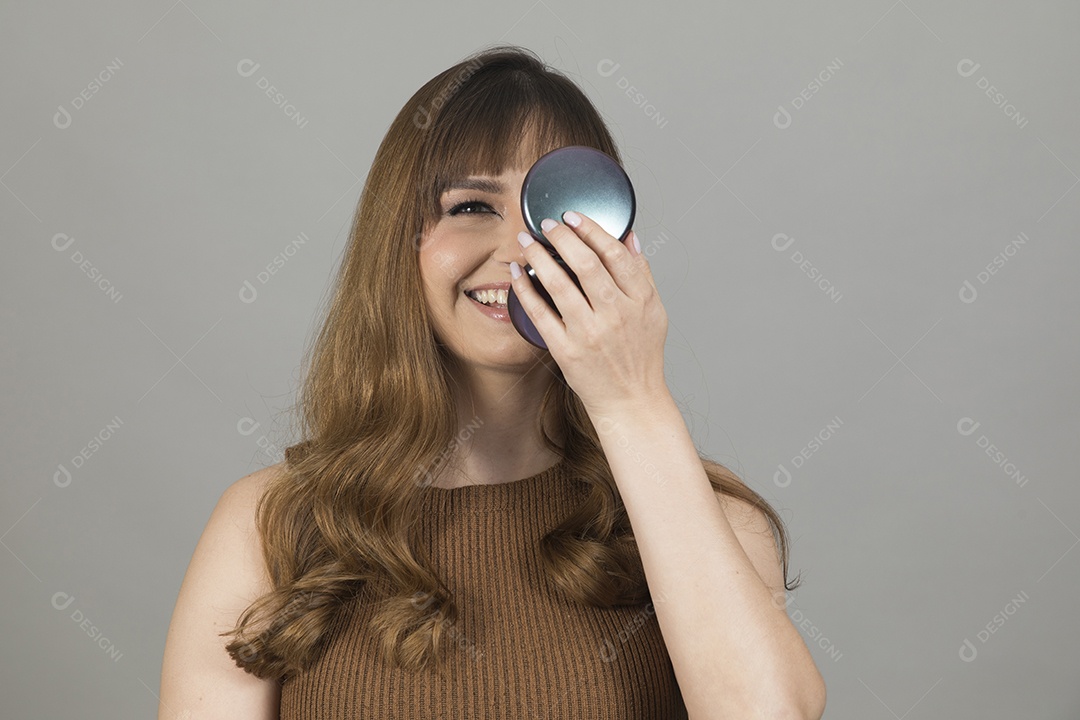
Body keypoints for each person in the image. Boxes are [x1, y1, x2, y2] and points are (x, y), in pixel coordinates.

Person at [158, 44, 826, 719]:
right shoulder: (271, 525)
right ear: (401, 243)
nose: (517, 252)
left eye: (556, 210)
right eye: (472, 206)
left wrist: (633, 403)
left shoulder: (708, 520)